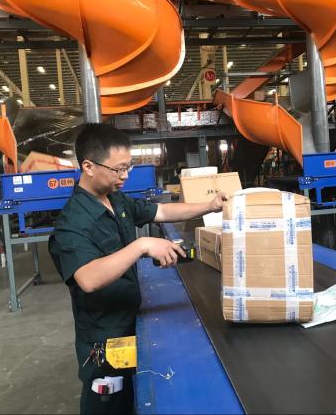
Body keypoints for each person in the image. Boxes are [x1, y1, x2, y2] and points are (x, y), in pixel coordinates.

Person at [48, 124, 227, 415]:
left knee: (135, 397)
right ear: (88, 167)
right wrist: (142, 245)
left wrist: (209, 205)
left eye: (128, 167)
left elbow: (161, 211)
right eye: (118, 169)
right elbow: (88, 278)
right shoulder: (72, 223)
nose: (125, 176)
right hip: (105, 339)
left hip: (132, 320)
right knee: (108, 401)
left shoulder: (115, 199)